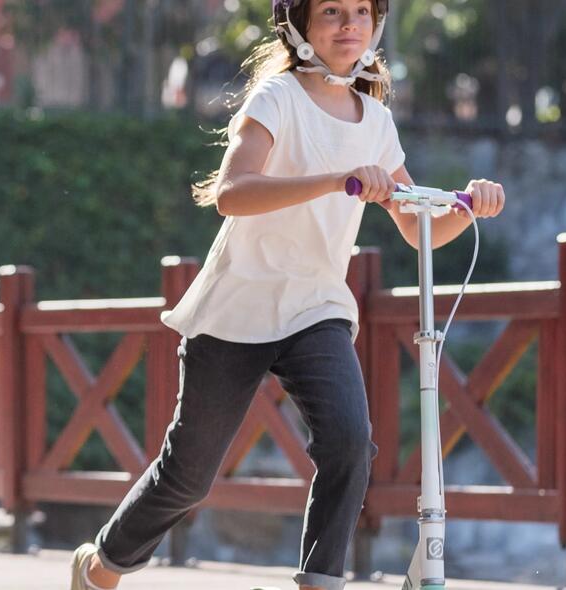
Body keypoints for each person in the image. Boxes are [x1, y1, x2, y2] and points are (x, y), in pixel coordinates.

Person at [68, 2, 505, 589]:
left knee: (351, 443)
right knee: (188, 475)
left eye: (360, 11)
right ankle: (100, 566)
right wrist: (336, 180)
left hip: (315, 307)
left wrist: (464, 204)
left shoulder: (375, 120)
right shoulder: (277, 97)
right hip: (237, 307)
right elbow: (231, 192)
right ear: (299, 25)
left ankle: (318, 583)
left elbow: (415, 229)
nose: (349, 23)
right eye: (330, 10)